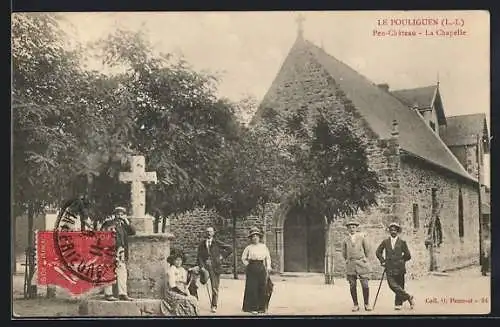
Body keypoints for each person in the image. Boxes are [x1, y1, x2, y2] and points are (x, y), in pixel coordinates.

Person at [375, 222, 415, 311]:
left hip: (400, 267)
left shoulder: (402, 242)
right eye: (391, 230)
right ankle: (409, 297)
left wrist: (401, 260)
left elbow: (408, 255)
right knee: (392, 285)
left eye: (395, 230)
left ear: (398, 231)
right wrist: (383, 261)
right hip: (389, 267)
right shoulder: (385, 242)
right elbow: (378, 252)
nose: (393, 231)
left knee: (400, 285)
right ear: (389, 231)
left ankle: (398, 304)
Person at [102, 206, 136, 301]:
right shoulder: (109, 224)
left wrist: (127, 221)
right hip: (110, 251)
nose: (120, 216)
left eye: (122, 214)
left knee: (122, 272)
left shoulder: (124, 226)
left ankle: (122, 293)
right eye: (118, 214)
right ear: (115, 215)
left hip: (121, 252)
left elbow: (133, 232)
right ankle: (108, 294)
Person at [196, 226, 233, 313]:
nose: (209, 233)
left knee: (214, 287)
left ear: (213, 233)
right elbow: (199, 256)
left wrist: (222, 256)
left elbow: (229, 248)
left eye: (210, 232)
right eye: (207, 232)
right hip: (205, 267)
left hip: (215, 267)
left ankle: (214, 305)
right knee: (194, 279)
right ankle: (194, 302)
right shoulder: (202, 244)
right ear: (205, 233)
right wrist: (201, 267)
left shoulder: (217, 242)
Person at [342, 219, 372, 312]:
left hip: (361, 262)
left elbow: (367, 249)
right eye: (350, 227)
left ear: (356, 228)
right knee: (352, 285)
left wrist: (365, 258)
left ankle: (367, 304)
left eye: (354, 227)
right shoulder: (345, 240)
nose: (352, 229)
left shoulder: (361, 237)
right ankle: (355, 305)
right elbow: (344, 252)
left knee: (365, 285)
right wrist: (347, 260)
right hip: (351, 264)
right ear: (347, 229)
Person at [241, 227, 272, 314]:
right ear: (251, 238)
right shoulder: (249, 248)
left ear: (259, 237)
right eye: (253, 236)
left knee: (262, 287)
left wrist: (268, 266)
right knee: (252, 287)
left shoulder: (263, 246)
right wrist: (248, 265)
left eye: (256, 236)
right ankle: (252, 307)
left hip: (261, 267)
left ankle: (261, 307)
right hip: (252, 268)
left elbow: (268, 257)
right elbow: (243, 258)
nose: (255, 238)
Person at [160, 250, 200, 316]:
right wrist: (182, 293)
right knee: (187, 300)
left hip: (181, 290)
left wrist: (190, 272)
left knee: (193, 299)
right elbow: (172, 286)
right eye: (177, 260)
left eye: (180, 260)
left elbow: (186, 283)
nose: (179, 262)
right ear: (173, 261)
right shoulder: (171, 270)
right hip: (172, 292)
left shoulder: (182, 269)